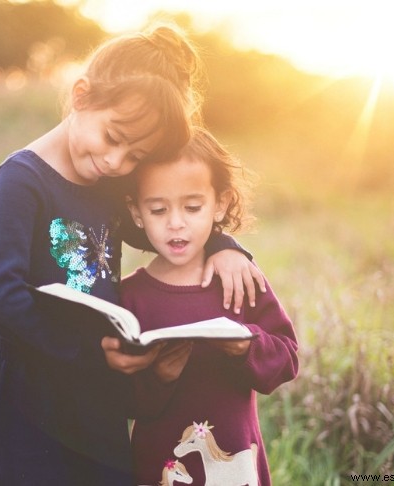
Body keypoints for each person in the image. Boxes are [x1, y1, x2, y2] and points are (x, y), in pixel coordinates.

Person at [0, 26, 266, 485]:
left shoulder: (107, 185)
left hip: (96, 391)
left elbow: (168, 232)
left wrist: (225, 246)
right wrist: (94, 353)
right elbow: (1, 299)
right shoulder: (21, 183)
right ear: (81, 96)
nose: (116, 163)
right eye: (113, 137)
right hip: (29, 393)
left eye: (135, 156)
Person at [122, 127, 299, 486]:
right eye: (158, 209)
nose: (176, 222)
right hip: (159, 464)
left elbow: (288, 358)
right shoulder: (129, 297)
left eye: (192, 207)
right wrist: (158, 377)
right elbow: (118, 397)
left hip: (234, 463)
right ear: (136, 212)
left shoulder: (240, 279)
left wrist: (247, 345)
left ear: (220, 204)